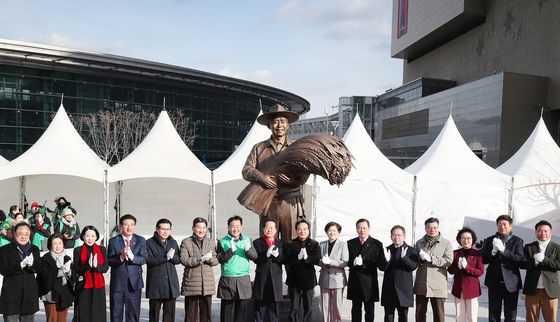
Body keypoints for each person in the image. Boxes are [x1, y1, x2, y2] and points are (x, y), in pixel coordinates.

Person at [242, 103, 309, 240]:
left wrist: (292, 181)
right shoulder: (259, 148)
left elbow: (305, 173)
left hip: (290, 201)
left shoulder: (297, 147)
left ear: (288, 124)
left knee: (291, 241)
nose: (279, 125)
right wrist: (261, 177)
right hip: (267, 200)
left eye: (283, 121)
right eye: (276, 122)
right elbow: (246, 170)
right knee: (268, 240)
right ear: (269, 125)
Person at [481, 214, 523, 322]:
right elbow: (484, 259)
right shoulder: (490, 239)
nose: (502, 226)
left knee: (510, 315)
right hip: (494, 282)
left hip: (511, 283)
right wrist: (493, 252)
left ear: (510, 226)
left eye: (504, 224)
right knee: (493, 315)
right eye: (499, 224)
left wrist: (504, 251)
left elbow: (519, 259)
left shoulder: (517, 241)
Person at [216, 215, 258, 322]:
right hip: (228, 278)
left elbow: (255, 257)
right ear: (228, 227)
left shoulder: (248, 240)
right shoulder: (222, 241)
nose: (235, 229)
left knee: (242, 309)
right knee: (227, 310)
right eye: (233, 226)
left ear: (241, 227)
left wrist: (248, 250)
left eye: (238, 226)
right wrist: (230, 251)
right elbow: (220, 259)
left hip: (243, 278)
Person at [347, 218, 388, 322]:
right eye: (359, 228)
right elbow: (346, 261)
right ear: (356, 229)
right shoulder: (350, 243)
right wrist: (353, 262)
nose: (362, 230)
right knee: (356, 308)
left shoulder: (376, 243)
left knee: (369, 309)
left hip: (369, 282)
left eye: (364, 228)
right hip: (355, 281)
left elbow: (380, 264)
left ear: (369, 228)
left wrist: (385, 260)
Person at [108, 214, 147, 322]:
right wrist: (121, 257)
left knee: (133, 313)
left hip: (134, 282)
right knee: (116, 312)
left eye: (132, 225)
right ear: (121, 226)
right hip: (118, 282)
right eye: (126, 225)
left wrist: (133, 257)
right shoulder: (113, 241)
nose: (129, 227)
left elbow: (144, 259)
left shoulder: (140, 240)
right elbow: (109, 261)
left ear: (135, 226)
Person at [0, 222, 42, 322]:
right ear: (14, 234)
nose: (23, 236)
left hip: (29, 295)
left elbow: (39, 268)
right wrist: (19, 265)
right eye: (20, 234)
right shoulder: (4, 250)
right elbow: (3, 270)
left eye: (26, 234)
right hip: (11, 295)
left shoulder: (34, 249)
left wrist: (32, 265)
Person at [414, 217, 453, 322]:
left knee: (439, 315)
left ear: (438, 228)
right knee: (420, 314)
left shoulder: (446, 243)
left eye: (435, 227)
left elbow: (449, 260)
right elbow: (413, 260)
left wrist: (432, 259)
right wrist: (419, 259)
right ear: (425, 228)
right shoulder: (419, 243)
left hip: (438, 284)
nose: (432, 230)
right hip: (422, 283)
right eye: (429, 227)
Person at [180, 217, 219, 322]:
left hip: (207, 283)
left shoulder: (211, 242)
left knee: (206, 315)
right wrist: (200, 259)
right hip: (191, 283)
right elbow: (184, 260)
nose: (201, 230)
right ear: (193, 228)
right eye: (198, 227)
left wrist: (210, 259)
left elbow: (216, 260)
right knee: (190, 315)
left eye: (203, 228)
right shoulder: (186, 242)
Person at [521, 220, 560, 322]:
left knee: (551, 319)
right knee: (531, 318)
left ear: (550, 232)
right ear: (536, 232)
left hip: (550, 290)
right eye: (539, 231)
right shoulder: (529, 247)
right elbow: (522, 264)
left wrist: (545, 260)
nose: (542, 233)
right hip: (532, 289)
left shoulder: (557, 248)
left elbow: (559, 265)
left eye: (545, 231)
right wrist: (534, 262)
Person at [285, 219, 321, 322]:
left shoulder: (314, 244)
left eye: (304, 229)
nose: (302, 231)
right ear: (296, 230)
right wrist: (297, 258)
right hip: (294, 280)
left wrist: (307, 258)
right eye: (299, 229)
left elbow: (317, 259)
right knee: (294, 307)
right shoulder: (290, 243)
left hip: (308, 279)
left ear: (308, 230)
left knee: (308, 307)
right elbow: (287, 260)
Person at [380, 225, 418, 322]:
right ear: (391, 236)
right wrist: (386, 260)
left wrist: (404, 258)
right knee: (388, 317)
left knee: (403, 317)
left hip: (404, 289)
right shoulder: (386, 249)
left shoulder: (411, 250)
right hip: (389, 288)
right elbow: (381, 267)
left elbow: (413, 266)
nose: (396, 237)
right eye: (394, 235)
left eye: (399, 235)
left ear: (404, 236)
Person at [146, 218, 181, 322]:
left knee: (170, 315)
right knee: (154, 315)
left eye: (168, 229)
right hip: (155, 284)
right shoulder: (149, 243)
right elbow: (148, 260)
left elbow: (178, 260)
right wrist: (165, 257)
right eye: (163, 229)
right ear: (157, 229)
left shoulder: (173, 242)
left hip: (170, 284)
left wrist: (172, 257)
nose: (166, 231)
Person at [73, 225, 109, 322]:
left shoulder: (102, 249)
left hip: (98, 284)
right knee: (83, 310)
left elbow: (105, 268)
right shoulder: (78, 250)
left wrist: (97, 266)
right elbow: (76, 269)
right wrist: (87, 266)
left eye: (93, 236)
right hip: (84, 284)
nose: (90, 239)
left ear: (96, 237)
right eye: (87, 236)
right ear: (83, 236)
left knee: (98, 311)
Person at [447, 227, 484, 322]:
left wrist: (467, 267)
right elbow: (450, 270)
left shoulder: (478, 254)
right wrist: (458, 267)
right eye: (463, 238)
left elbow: (480, 272)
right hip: (458, 289)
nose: (466, 240)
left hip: (472, 289)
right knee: (459, 316)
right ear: (459, 240)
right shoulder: (455, 253)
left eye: (468, 238)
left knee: (472, 317)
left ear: (473, 240)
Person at [252, 219, 284, 322]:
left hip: (275, 279)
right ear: (263, 229)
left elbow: (285, 259)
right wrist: (266, 255)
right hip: (262, 278)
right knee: (259, 307)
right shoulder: (257, 242)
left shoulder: (281, 243)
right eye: (267, 227)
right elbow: (256, 259)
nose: (269, 230)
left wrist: (278, 256)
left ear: (275, 230)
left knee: (274, 309)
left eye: (271, 228)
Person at [37, 234, 74, 322]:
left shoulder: (67, 258)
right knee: (52, 319)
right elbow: (44, 276)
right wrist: (61, 271)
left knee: (62, 319)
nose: (58, 246)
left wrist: (69, 271)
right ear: (50, 245)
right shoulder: (45, 259)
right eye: (55, 244)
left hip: (64, 293)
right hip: (50, 294)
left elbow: (72, 276)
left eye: (60, 243)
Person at [318, 221, 348, 322]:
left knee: (337, 306)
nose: (332, 232)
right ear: (326, 232)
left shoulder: (343, 244)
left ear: (338, 232)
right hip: (324, 278)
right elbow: (318, 260)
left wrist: (331, 262)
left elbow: (345, 262)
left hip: (337, 279)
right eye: (330, 230)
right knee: (325, 306)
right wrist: (321, 262)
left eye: (334, 230)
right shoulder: (322, 244)